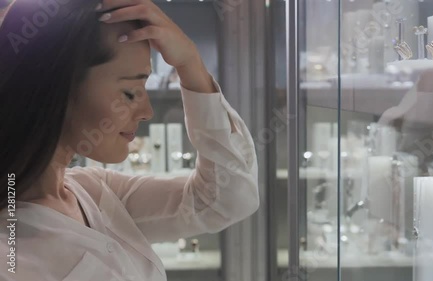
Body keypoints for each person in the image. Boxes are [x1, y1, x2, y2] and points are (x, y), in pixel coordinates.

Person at [0, 0, 259, 280]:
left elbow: (225, 199)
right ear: (56, 89)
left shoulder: (96, 192)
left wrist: (189, 63)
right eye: (129, 92)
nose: (147, 112)